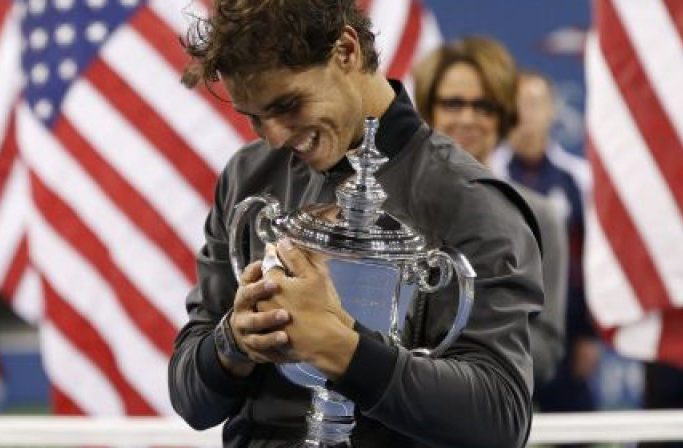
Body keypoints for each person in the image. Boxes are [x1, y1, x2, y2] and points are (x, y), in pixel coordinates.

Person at [168, 2, 544, 447]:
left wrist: (342, 350)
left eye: (287, 105)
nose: (273, 137)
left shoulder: (473, 202)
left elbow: (500, 420)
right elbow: (191, 400)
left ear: (346, 51)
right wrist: (232, 342)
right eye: (253, 117)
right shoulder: (246, 176)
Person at [412, 36, 568, 386]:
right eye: (453, 104)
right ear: (428, 109)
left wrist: (471, 359)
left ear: (504, 118)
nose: (468, 118)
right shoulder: (391, 207)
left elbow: (546, 345)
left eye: (484, 106)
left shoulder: (540, 216)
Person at [492, 71, 599, 421]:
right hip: (500, 329)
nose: (527, 113)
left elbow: (591, 262)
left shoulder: (578, 178)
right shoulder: (486, 174)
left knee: (576, 428)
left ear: (554, 110)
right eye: (519, 103)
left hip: (564, 329)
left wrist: (588, 334)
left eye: (536, 103)